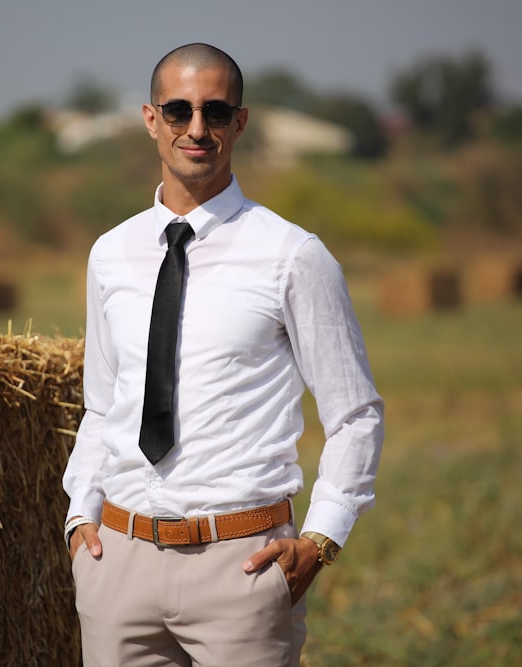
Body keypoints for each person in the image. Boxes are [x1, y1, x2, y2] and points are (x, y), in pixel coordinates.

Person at [62, 42, 384, 667]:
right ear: (151, 119)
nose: (197, 129)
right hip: (117, 566)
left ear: (240, 121)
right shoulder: (110, 254)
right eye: (178, 111)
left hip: (243, 567)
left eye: (215, 111)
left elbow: (355, 414)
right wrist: (80, 519)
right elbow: (102, 408)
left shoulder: (294, 255)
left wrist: (321, 541)